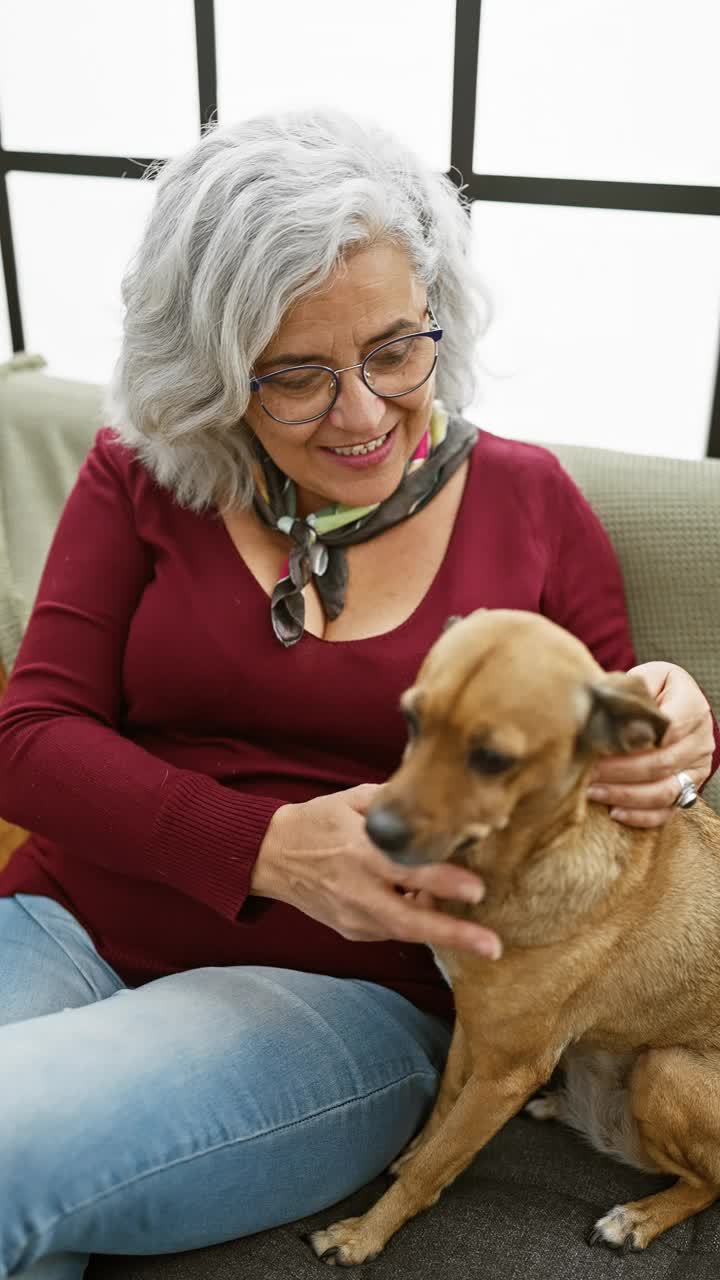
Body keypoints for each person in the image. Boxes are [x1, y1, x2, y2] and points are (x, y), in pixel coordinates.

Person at [0, 108, 716, 1280]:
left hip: (338, 997)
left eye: (394, 349)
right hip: (64, 922)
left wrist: (688, 733)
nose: (364, 412)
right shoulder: (141, 472)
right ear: (213, 372)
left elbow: (608, 773)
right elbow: (27, 741)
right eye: (295, 374)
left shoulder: (531, 505)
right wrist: (265, 843)